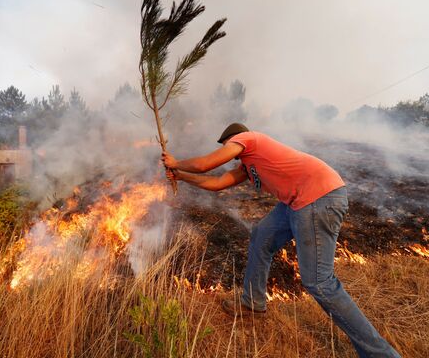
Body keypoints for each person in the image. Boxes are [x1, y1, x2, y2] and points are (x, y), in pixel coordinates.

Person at [162, 123, 400, 358]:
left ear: (235, 139)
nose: (231, 156)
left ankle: (381, 354)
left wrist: (176, 162)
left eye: (227, 147)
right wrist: (181, 175)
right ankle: (252, 304)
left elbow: (205, 165)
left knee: (319, 283)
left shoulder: (249, 138)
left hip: (318, 198)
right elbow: (216, 184)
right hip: (295, 203)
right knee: (261, 236)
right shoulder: (249, 166)